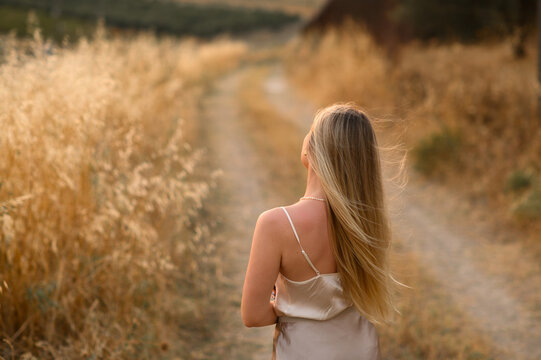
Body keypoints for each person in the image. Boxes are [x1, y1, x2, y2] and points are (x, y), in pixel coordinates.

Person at [241, 103, 396, 359]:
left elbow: (253, 315)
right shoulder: (370, 222)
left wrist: (291, 303)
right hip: (361, 349)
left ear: (311, 147)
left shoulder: (275, 224)